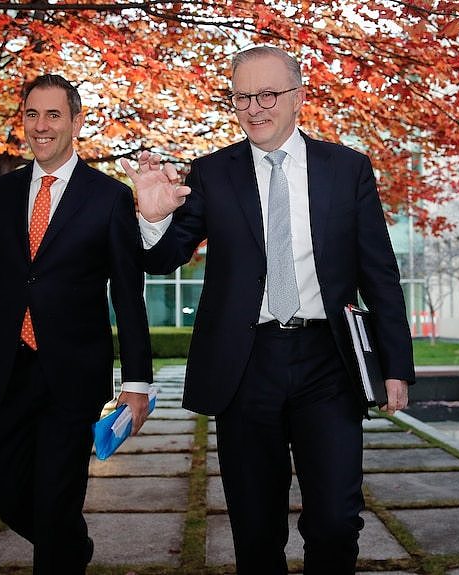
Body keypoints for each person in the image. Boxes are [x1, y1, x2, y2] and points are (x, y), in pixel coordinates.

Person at [121, 46, 415, 574]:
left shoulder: (346, 169)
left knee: (335, 521)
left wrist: (395, 365)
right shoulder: (211, 173)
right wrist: (151, 218)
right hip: (245, 364)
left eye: (267, 94)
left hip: (328, 362)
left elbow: (380, 273)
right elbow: (165, 257)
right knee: (255, 528)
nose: (254, 108)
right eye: (242, 97)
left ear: (298, 97)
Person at [0, 74, 153, 574]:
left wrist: (137, 382)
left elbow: (128, 295)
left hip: (73, 376)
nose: (41, 126)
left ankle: (61, 555)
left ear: (76, 122)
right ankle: (73, 548)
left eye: (54, 114)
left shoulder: (109, 198)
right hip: (7, 372)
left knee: (57, 498)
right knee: (7, 496)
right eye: (32, 114)